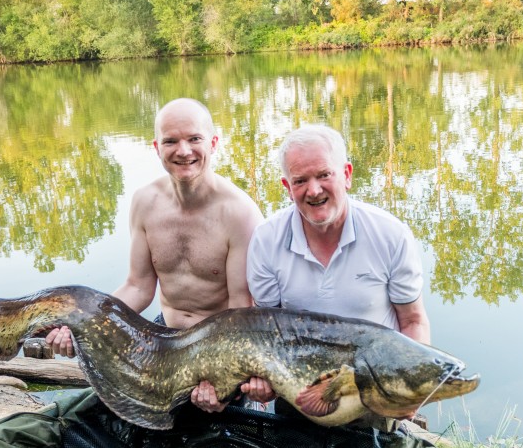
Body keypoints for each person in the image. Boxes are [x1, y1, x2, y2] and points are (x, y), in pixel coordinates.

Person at [46, 97, 274, 412]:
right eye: (171, 141)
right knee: (119, 416)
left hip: (219, 347)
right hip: (163, 338)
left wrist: (225, 384)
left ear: (213, 143)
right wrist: (83, 324)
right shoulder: (145, 202)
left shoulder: (240, 214)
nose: (183, 151)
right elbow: (138, 287)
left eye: (194, 139)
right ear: (157, 147)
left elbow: (241, 312)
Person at [246, 125, 430, 345]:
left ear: (347, 175)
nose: (314, 191)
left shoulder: (392, 235)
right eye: (300, 181)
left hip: (377, 363)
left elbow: (412, 321)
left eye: (324, 175)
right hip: (300, 365)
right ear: (288, 187)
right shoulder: (266, 240)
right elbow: (267, 331)